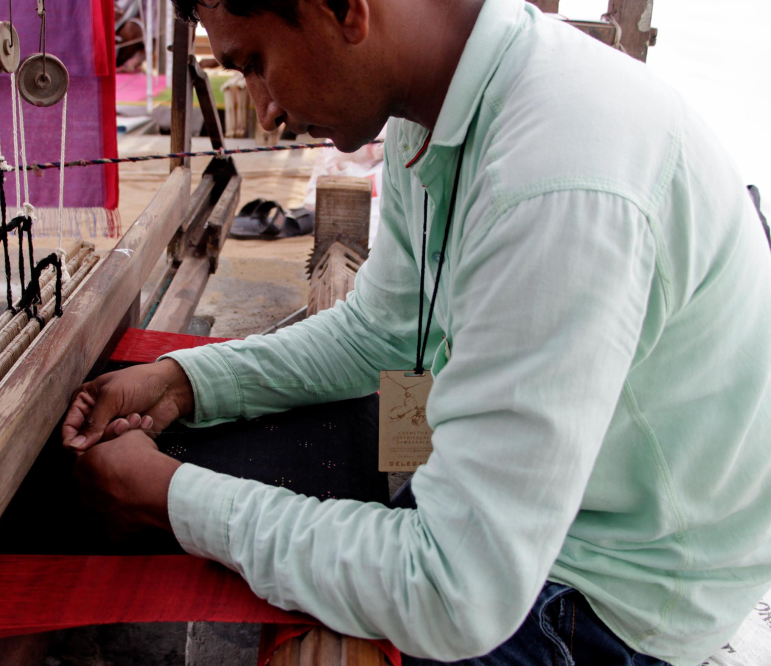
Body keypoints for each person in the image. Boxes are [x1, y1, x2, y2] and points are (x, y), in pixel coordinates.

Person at [61, 0, 771, 663]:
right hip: (556, 524)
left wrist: (169, 498)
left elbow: (455, 589)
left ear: (343, 10)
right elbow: (383, 330)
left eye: (254, 63)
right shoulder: (433, 113)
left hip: (612, 594)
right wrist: (187, 381)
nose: (268, 110)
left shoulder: (558, 179)